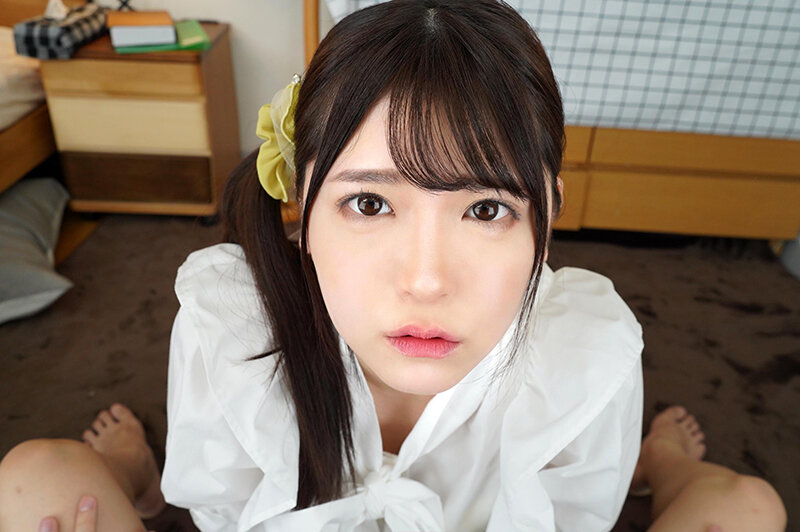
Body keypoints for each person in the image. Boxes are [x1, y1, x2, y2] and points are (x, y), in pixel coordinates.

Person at [0, 1, 787, 530]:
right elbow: (226, 508)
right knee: (34, 477)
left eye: (486, 210)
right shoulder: (230, 329)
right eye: (370, 203)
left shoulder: (586, 356)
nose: (426, 281)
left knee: (747, 508)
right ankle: (133, 470)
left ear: (546, 214)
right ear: (301, 205)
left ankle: (664, 467)